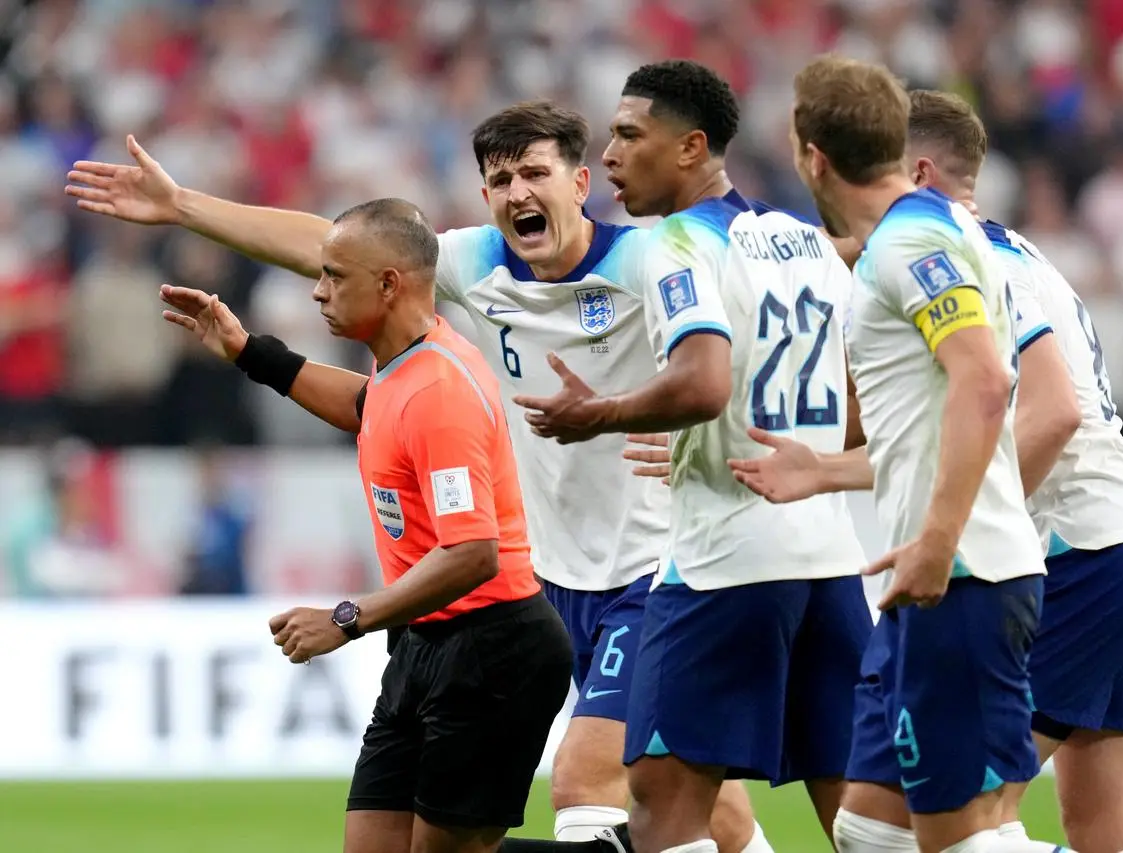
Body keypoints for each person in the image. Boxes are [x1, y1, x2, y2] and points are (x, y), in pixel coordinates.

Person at [65, 103, 769, 853]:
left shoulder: (648, 262)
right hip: (554, 576)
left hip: (654, 569)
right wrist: (183, 207)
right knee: (698, 797)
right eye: (500, 179)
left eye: (536, 172)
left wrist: (722, 440)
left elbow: (761, 334)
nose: (518, 192)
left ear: (579, 182)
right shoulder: (472, 264)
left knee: (584, 777)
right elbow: (331, 247)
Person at [730, 88, 1123, 853]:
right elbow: (954, 433)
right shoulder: (1005, 249)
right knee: (1099, 831)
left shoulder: (961, 253)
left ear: (914, 167)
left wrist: (965, 530)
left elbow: (1047, 411)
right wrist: (829, 469)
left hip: (1080, 551)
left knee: (907, 826)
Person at [513, 59, 872, 853]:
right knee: (862, 820)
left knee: (663, 805)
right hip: (828, 558)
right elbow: (854, 414)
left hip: (723, 562)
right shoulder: (801, 238)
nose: (608, 154)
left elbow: (703, 382)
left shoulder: (675, 242)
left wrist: (599, 414)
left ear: (691, 148)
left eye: (629, 135)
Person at [158, 197, 573, 853]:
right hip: (423, 642)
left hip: (493, 650)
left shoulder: (441, 390)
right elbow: (368, 407)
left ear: (388, 284)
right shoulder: (399, 365)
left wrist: (347, 617)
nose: (319, 292)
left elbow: (472, 553)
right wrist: (247, 351)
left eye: (333, 276)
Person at [782, 57, 1070, 853]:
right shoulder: (906, 237)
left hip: (963, 573)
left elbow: (984, 379)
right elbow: (922, 418)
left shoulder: (912, 242)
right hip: (929, 579)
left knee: (959, 837)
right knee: (869, 828)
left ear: (813, 156)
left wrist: (940, 540)